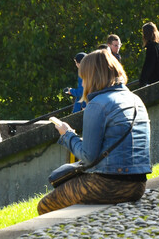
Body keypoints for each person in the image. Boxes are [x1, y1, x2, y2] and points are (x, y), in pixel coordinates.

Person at [40, 49, 151, 215]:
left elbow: (88, 156)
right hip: (139, 185)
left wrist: (67, 134)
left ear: (91, 77)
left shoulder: (97, 104)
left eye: (83, 78)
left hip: (110, 185)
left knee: (45, 206)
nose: (83, 84)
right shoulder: (135, 99)